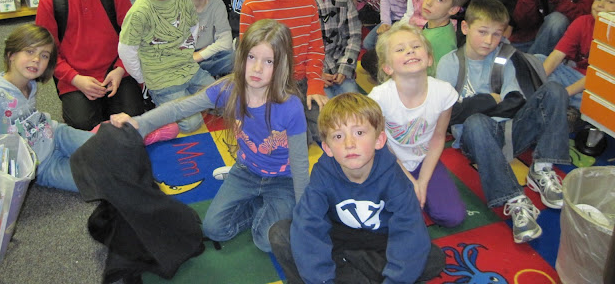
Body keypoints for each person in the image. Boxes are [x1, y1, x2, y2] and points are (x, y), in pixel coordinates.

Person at [111, 19, 309, 253]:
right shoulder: (229, 88)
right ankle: (259, 204)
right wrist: (140, 123)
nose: (257, 68)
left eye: (268, 61)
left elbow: (299, 163)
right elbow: (179, 108)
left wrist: (304, 211)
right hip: (246, 170)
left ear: (281, 65)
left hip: (282, 179)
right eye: (251, 57)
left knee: (266, 242)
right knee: (214, 229)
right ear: (241, 57)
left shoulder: (290, 107)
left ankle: (268, 206)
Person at [269, 93, 445, 284]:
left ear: (379, 140)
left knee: (431, 257)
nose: (349, 144)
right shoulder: (323, 173)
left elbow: (408, 228)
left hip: (381, 239)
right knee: (281, 234)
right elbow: (308, 224)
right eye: (338, 136)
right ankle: (347, 270)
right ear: (327, 148)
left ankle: (349, 268)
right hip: (340, 235)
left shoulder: (393, 176)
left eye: (359, 133)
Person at [436, 0, 570, 244]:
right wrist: (489, 99)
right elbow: (447, 114)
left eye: (496, 34)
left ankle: (542, 168)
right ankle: (514, 200)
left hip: (509, 132)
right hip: (476, 139)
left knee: (555, 90)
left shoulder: (504, 57)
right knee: (475, 122)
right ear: (465, 28)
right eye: (482, 32)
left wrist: (470, 106)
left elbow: (515, 102)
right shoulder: (450, 63)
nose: (489, 41)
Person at [35, 0, 144, 131]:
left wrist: (121, 69)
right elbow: (46, 52)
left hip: (116, 71)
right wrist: (75, 79)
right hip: (76, 78)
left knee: (133, 116)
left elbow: (134, 34)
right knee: (83, 124)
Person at [0, 24, 91, 192]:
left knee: (104, 146)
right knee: (96, 181)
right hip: (42, 165)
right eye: (29, 51)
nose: (36, 59)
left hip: (56, 134)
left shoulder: (30, 83)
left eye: (44, 56)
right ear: (11, 55)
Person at [369, 24, 466, 227]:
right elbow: (380, 146)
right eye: (400, 49)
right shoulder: (379, 98)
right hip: (390, 162)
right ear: (388, 68)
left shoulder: (443, 92)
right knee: (402, 219)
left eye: (415, 46)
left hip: (424, 161)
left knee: (453, 216)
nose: (410, 51)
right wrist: (410, 181)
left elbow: (438, 138)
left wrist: (422, 181)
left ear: (429, 59)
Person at [118, 0, 214, 134]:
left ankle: (185, 99)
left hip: (188, 68)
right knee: (191, 124)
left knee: (223, 98)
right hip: (161, 78)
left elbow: (193, 26)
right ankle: (161, 103)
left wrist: (186, 50)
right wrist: (142, 77)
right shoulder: (139, 12)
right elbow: (126, 50)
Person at [239, 0, 327, 141]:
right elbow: (247, 56)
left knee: (326, 131)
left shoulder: (308, 2)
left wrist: (315, 84)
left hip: (302, 81)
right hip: (271, 85)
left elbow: (315, 48)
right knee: (298, 142)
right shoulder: (252, 6)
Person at [296, 0, 361, 98]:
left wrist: (345, 67)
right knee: (326, 106)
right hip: (310, 71)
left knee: (353, 101)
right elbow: (294, 47)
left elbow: (354, 34)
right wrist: (315, 73)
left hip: (340, 65)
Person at [542, 0, 615, 109]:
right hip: (573, 76)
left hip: (598, 85)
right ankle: (558, 100)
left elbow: (595, 77)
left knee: (600, 101)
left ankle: (560, 101)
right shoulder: (582, 22)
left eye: (610, 2)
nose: (600, 5)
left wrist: (564, 94)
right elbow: (556, 56)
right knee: (538, 60)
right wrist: (538, 80)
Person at [179, 0, 234, 78]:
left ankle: (204, 77)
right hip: (183, 60)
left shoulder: (217, 4)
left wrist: (198, 56)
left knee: (235, 58)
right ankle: (204, 79)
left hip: (208, 56)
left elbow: (226, 42)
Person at [421, 0, 472, 73]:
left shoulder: (442, 42)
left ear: (453, 10)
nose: (428, 2)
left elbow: (440, 78)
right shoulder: (434, 26)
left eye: (439, 0)